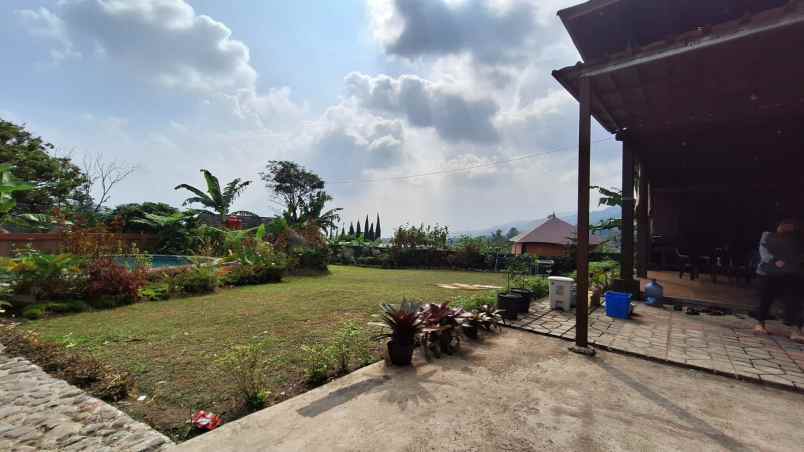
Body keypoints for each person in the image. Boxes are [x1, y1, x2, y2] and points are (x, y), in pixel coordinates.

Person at [754, 219, 804, 342]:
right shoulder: (767, 235)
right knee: (766, 297)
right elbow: (763, 251)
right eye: (785, 225)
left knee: (794, 300)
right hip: (768, 272)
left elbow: (798, 254)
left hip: (790, 272)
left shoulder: (796, 239)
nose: (787, 228)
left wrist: (790, 262)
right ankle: (760, 323)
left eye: (790, 226)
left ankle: (796, 329)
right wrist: (775, 260)